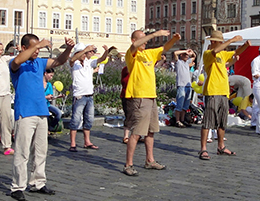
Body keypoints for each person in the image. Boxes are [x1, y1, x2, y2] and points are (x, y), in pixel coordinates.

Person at [9, 34, 75, 201]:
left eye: (39, 49)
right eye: (34, 48)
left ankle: (37, 182)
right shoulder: (17, 63)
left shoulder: (39, 63)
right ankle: (17, 186)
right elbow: (17, 62)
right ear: (24, 48)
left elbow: (59, 62)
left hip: (41, 111)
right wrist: (37, 45)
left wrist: (68, 49)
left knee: (40, 150)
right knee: (23, 151)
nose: (37, 51)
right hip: (25, 112)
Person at [123, 30, 180, 175]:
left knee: (150, 131)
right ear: (133, 39)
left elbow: (165, 48)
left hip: (151, 96)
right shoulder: (132, 55)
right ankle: (128, 164)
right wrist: (155, 34)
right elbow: (135, 45)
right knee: (137, 132)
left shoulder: (149, 53)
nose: (146, 42)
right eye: (143, 39)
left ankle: (150, 160)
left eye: (146, 39)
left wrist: (173, 39)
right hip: (139, 97)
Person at [199, 30, 250, 160]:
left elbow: (235, 53)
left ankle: (221, 146)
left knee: (222, 122)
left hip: (223, 92)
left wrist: (245, 45)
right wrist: (231, 40)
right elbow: (215, 52)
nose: (222, 44)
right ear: (214, 42)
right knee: (208, 122)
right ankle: (203, 149)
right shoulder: (208, 53)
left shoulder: (222, 54)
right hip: (213, 91)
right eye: (220, 42)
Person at [68, 44, 110, 152]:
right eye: (82, 52)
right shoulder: (74, 63)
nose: (85, 54)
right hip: (79, 96)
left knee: (89, 120)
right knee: (75, 120)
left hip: (89, 95)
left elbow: (101, 59)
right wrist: (85, 50)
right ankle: (73, 143)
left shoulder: (88, 62)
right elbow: (72, 60)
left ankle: (87, 141)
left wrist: (106, 51)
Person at [173, 48, 196, 127]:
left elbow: (194, 56)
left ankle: (183, 120)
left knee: (185, 105)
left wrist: (191, 52)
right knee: (179, 104)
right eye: (185, 55)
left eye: (187, 55)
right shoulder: (178, 62)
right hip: (181, 85)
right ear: (181, 55)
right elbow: (175, 53)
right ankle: (177, 121)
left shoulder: (187, 63)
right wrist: (184, 51)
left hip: (188, 85)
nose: (187, 56)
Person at [43, 68, 62, 132]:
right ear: (45, 73)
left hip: (47, 104)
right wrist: (45, 97)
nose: (51, 77)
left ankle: (51, 128)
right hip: (41, 105)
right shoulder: (38, 84)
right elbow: (36, 96)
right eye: (50, 75)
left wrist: (57, 97)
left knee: (58, 113)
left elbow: (50, 97)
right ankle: (45, 130)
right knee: (46, 116)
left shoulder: (49, 85)